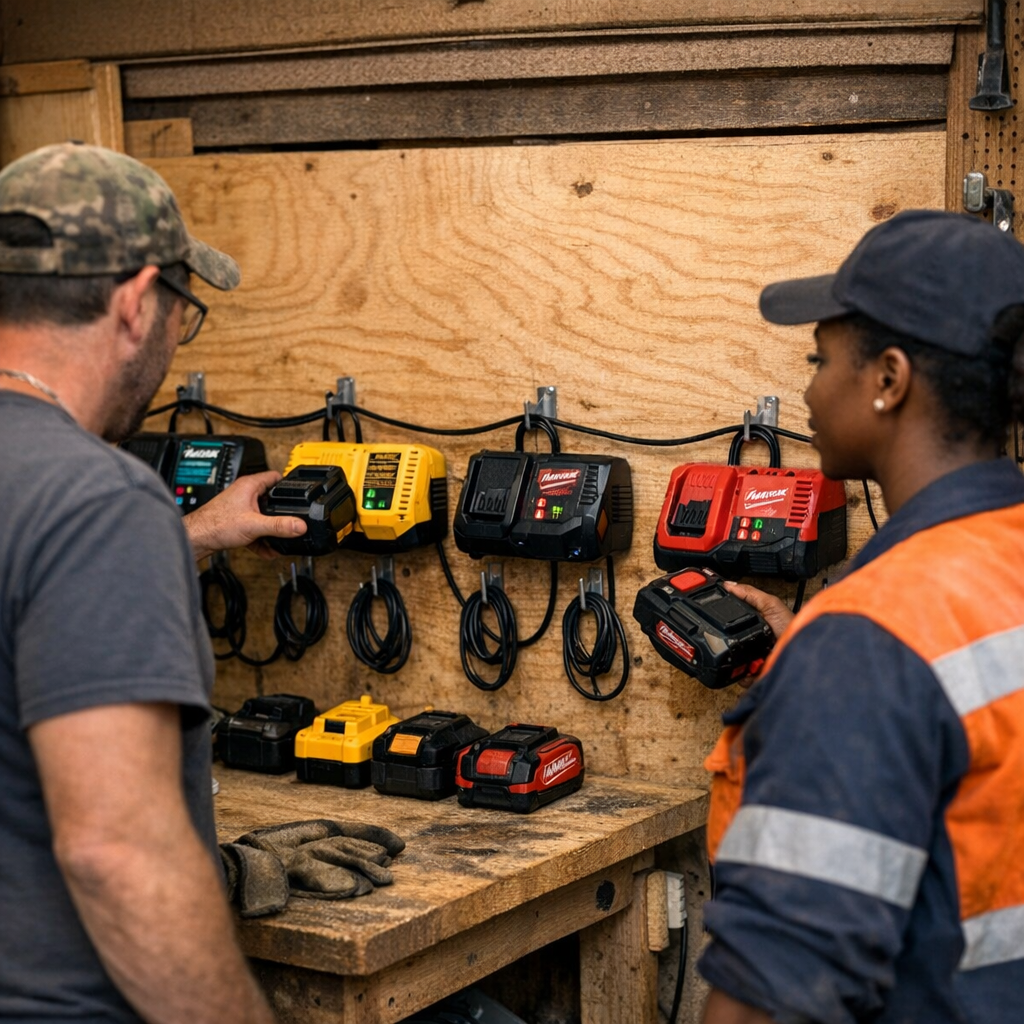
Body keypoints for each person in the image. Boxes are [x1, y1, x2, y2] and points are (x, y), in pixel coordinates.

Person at [0, 142, 307, 1024]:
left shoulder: (67, 505)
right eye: (186, 313)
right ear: (137, 302)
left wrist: (196, 533)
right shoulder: (97, 498)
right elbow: (115, 851)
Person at [697, 210, 1024, 1024]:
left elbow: (773, 999)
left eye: (819, 360)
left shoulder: (873, 642)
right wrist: (822, 679)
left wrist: (840, 674)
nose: (808, 388)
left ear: (888, 378)